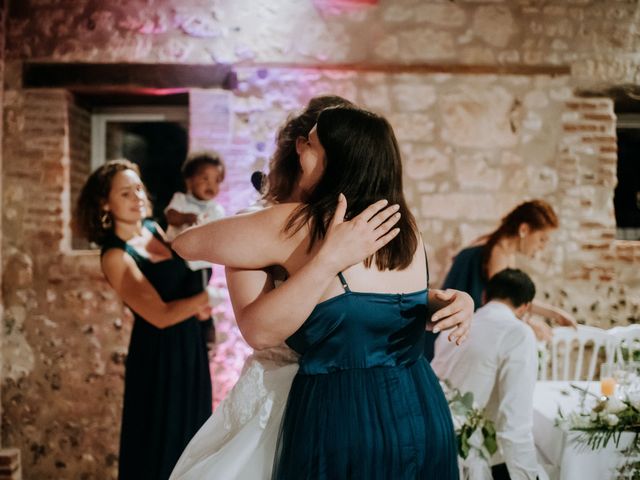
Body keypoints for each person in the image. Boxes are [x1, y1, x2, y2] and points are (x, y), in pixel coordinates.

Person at [173, 106, 461, 478]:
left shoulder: (298, 223)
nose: (299, 151)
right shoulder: (405, 229)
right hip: (421, 410)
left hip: (343, 416)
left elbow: (187, 244)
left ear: (336, 161)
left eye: (310, 144)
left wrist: (323, 257)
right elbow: (385, 310)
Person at [75, 159, 213, 480]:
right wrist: (209, 298)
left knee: (194, 437)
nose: (137, 196)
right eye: (125, 192)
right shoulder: (115, 255)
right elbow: (161, 316)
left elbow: (179, 284)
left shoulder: (153, 229)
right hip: (158, 357)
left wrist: (197, 306)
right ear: (103, 203)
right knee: (159, 446)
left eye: (138, 188)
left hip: (189, 347)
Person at [425, 199, 577, 360]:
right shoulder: (497, 253)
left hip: (454, 326)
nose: (542, 247)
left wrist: (554, 313)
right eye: (541, 239)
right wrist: (531, 323)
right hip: (451, 332)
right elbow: (503, 303)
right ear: (524, 229)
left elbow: (513, 298)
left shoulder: (500, 249)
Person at [432, 268, 546, 480]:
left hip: (428, 430)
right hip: (461, 451)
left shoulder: (453, 325)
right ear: (525, 308)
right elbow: (514, 424)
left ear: (484, 296)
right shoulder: (518, 333)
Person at [165, 151, 226, 345]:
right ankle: (180, 327)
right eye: (205, 179)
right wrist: (188, 217)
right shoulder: (181, 200)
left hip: (200, 264)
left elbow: (219, 234)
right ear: (189, 181)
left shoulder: (215, 209)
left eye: (217, 180)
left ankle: (205, 327)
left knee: (198, 297)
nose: (211, 185)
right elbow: (171, 216)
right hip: (176, 259)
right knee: (178, 296)